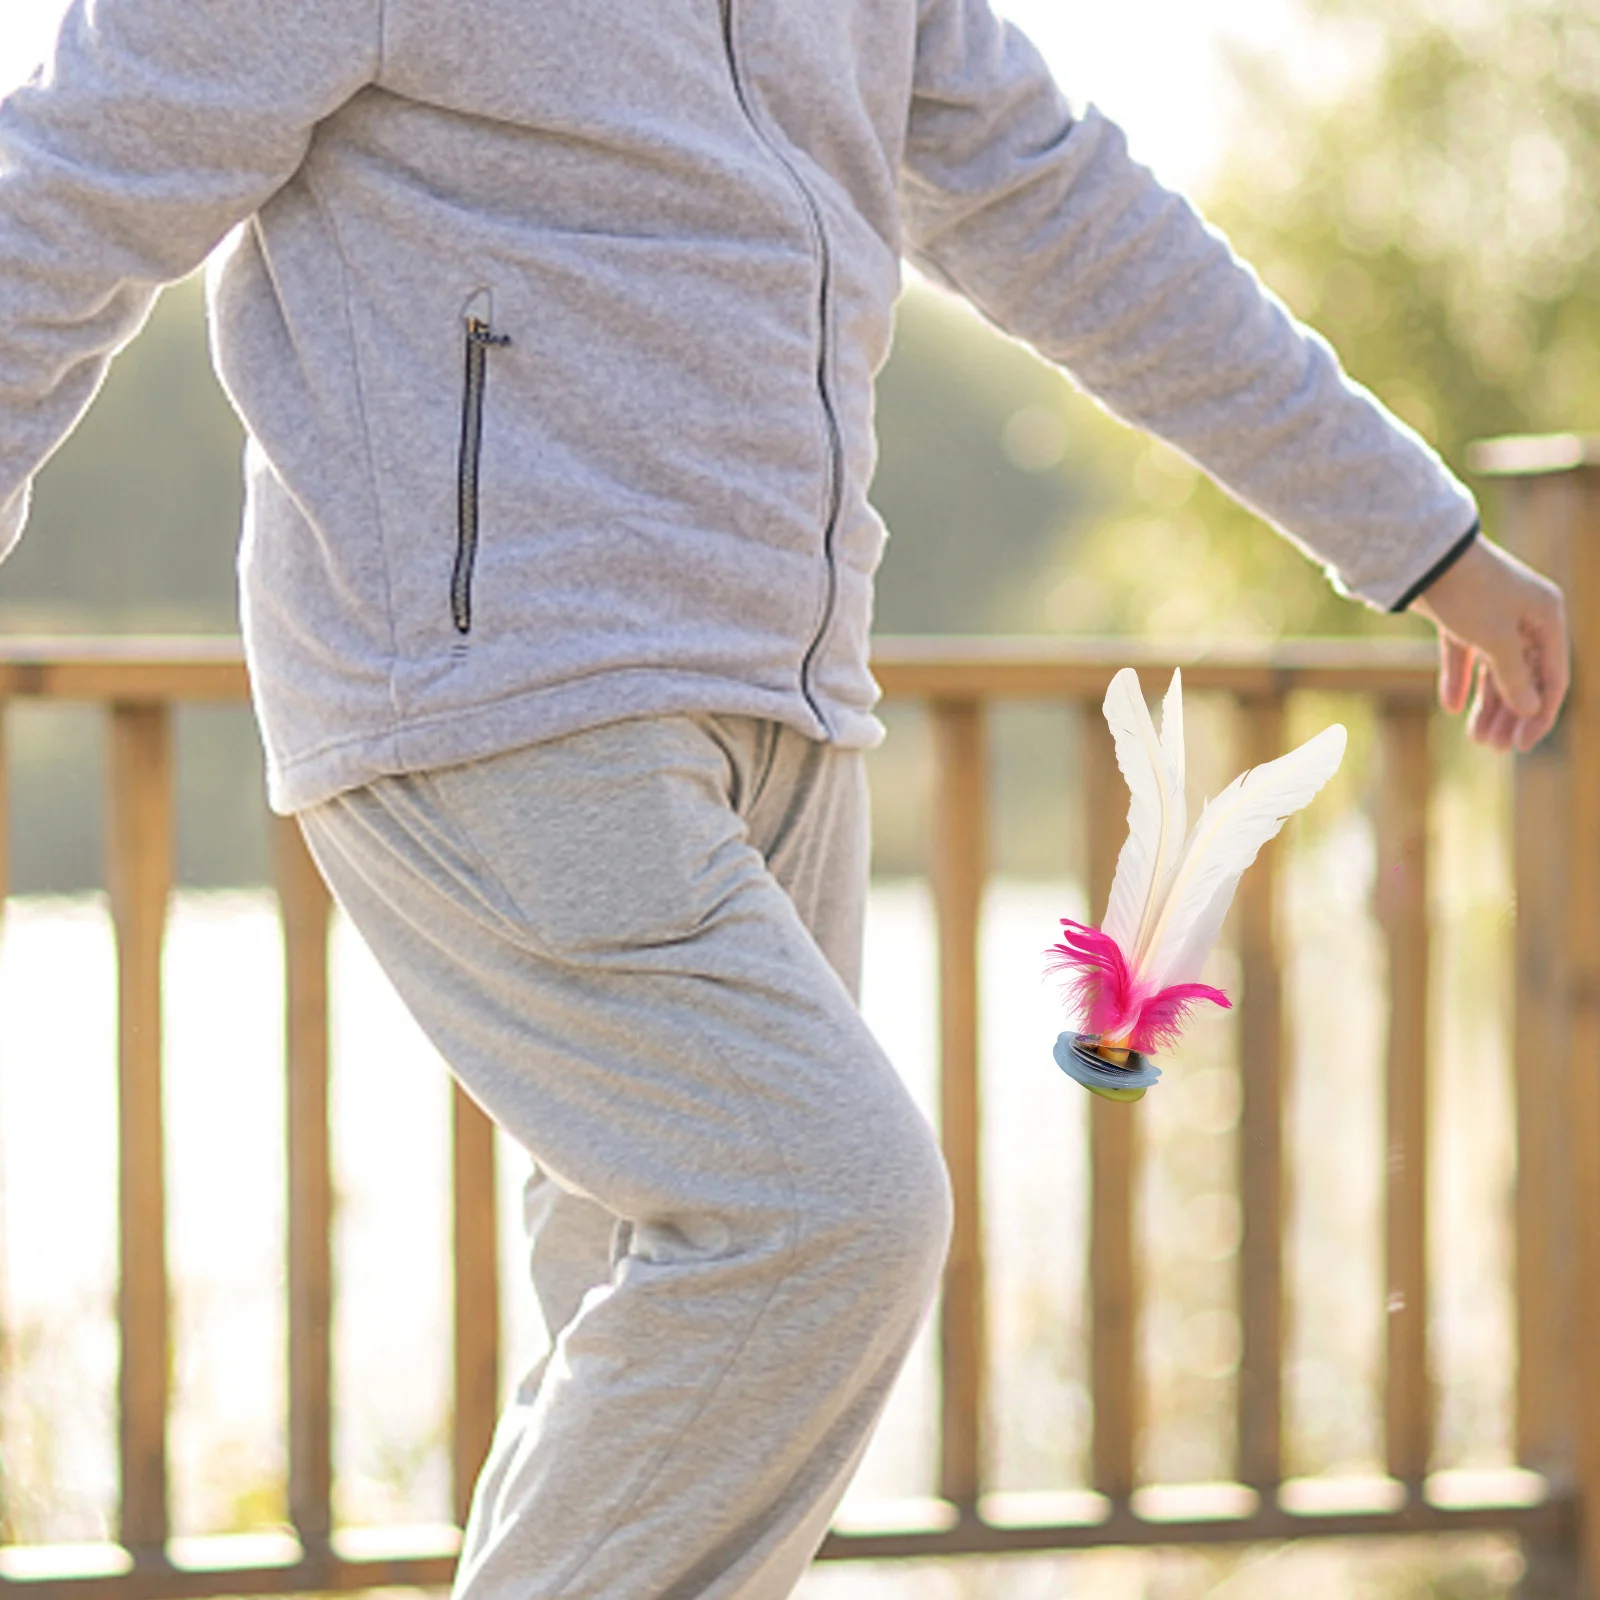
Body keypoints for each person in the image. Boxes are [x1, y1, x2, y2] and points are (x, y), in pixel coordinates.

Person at [0, 0, 1567, 1594]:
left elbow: (1066, 204)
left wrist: (1414, 535)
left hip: (787, 698)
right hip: (497, 687)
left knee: (675, 1343)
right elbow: (63, 189)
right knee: (825, 1218)